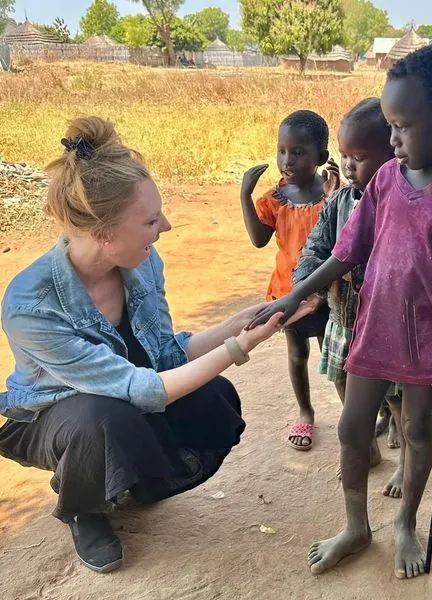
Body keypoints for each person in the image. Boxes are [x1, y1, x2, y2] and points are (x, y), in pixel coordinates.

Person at [248, 44, 432, 579]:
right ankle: (356, 526)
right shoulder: (388, 180)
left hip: (429, 345)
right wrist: (293, 296)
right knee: (352, 431)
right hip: (371, 336)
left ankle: (405, 523)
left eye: (400, 126)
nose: (391, 140)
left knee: (418, 432)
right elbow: (347, 251)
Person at [0, 116, 309, 574]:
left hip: (125, 401)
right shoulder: (31, 304)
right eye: (149, 220)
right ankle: (83, 509)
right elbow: (142, 389)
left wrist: (244, 321)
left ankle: (128, 483)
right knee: (99, 416)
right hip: (58, 417)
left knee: (212, 397)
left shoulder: (142, 261)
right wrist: (241, 347)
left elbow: (166, 355)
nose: (165, 225)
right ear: (103, 234)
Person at [293, 97, 406, 491]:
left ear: (392, 154)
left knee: (396, 398)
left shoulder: (404, 205)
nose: (349, 166)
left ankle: (406, 461)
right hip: (344, 318)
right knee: (341, 380)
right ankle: (366, 449)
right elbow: (316, 246)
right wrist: (304, 285)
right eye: (344, 156)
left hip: (386, 325)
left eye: (360, 156)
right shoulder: (339, 201)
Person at [240, 110, 339, 451]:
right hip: (288, 294)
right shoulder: (275, 198)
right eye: (282, 150)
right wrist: (244, 196)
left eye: (298, 152)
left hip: (328, 295)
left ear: (321, 157)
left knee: (338, 357)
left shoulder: (331, 194)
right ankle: (306, 412)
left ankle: (354, 417)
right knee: (297, 355)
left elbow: (343, 240)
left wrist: (333, 195)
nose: (287, 160)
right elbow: (258, 239)